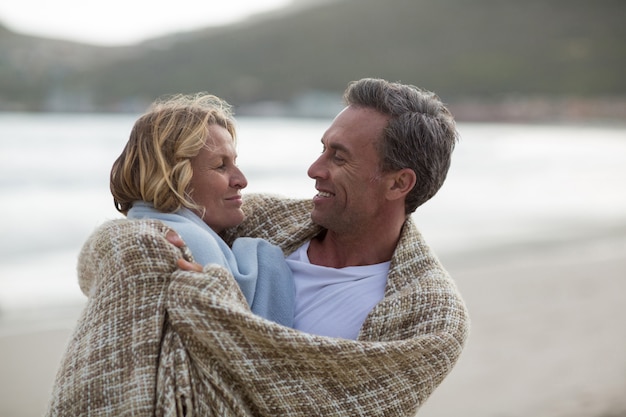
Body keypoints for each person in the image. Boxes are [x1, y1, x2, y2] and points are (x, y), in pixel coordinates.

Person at [48, 79, 469, 417]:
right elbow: (117, 248)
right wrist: (138, 247)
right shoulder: (261, 219)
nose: (314, 169)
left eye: (338, 158)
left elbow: (338, 406)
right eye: (322, 148)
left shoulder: (430, 316)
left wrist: (205, 302)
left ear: (399, 183)